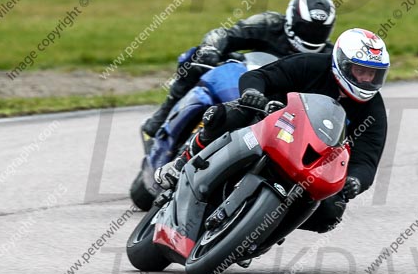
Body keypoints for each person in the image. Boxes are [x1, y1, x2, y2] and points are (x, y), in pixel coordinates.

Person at [155, 28, 389, 233]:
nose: (367, 79)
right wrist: (253, 94)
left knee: (331, 211)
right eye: (361, 71)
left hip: (310, 158)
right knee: (227, 115)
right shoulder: (311, 65)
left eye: (373, 74)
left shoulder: (373, 110)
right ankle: (179, 165)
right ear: (342, 63)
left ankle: (261, 232)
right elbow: (260, 76)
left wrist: (355, 181)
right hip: (270, 122)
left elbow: (368, 158)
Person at [141, 0, 338, 140]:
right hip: (248, 82)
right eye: (307, 28)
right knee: (194, 57)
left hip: (283, 106)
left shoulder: (329, 56)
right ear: (291, 20)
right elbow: (224, 34)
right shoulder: (268, 24)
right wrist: (211, 49)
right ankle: (164, 113)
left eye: (319, 31)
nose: (311, 35)